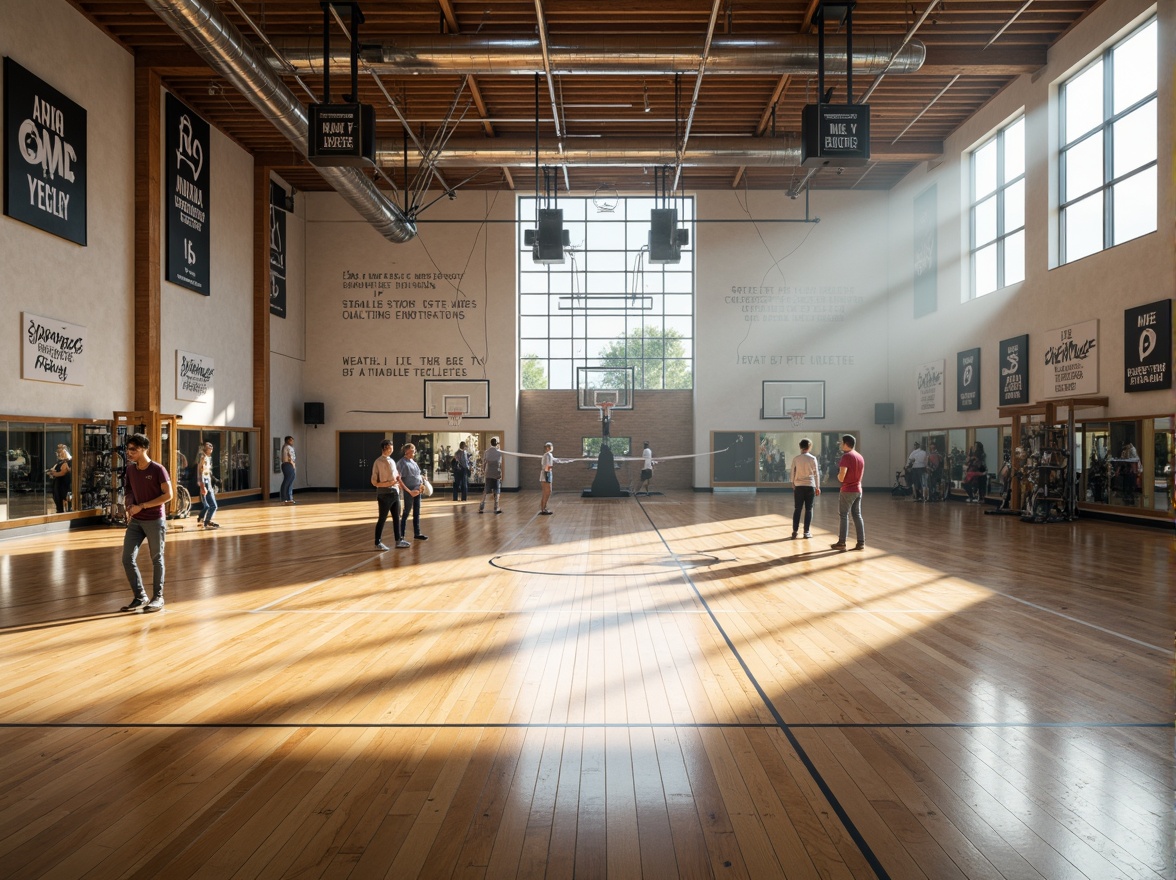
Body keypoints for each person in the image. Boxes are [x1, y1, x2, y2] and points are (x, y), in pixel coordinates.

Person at [120, 433, 173, 612]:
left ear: (143, 449)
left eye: (133, 449)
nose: (129, 452)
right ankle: (140, 596)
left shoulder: (158, 470)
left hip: (154, 520)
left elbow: (168, 495)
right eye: (128, 449)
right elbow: (128, 489)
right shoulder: (130, 469)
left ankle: (158, 597)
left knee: (157, 559)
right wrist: (129, 505)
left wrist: (142, 506)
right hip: (136, 521)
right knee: (127, 558)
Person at [830, 434, 865, 551]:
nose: (840, 444)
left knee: (844, 515)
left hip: (848, 490)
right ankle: (861, 542)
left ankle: (842, 542)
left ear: (846, 444)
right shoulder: (859, 456)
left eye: (841, 442)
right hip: (858, 489)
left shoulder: (846, 457)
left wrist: (838, 475)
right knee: (857, 515)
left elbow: (841, 477)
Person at [371, 439, 408, 549]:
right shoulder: (378, 462)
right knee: (382, 518)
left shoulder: (392, 461)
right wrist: (388, 483)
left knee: (397, 517)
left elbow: (395, 477)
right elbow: (374, 482)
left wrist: (398, 480)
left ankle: (398, 540)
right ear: (384, 448)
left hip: (394, 493)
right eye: (389, 448)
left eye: (392, 448)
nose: (391, 450)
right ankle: (378, 542)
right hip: (384, 494)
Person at [789, 438, 821, 538]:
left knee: (797, 508)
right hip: (810, 486)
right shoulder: (813, 458)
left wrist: (793, 483)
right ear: (809, 447)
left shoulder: (796, 459)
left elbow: (792, 472)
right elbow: (816, 474)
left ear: (800, 447)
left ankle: (795, 531)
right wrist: (817, 486)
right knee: (809, 509)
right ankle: (806, 532)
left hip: (798, 486)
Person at [397, 443, 428, 540]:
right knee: (406, 512)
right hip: (409, 491)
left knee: (417, 512)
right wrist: (409, 491)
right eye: (413, 450)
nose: (414, 452)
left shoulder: (413, 462)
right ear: (407, 451)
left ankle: (417, 533)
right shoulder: (401, 463)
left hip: (418, 490)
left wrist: (422, 478)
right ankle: (401, 535)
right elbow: (399, 479)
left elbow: (417, 474)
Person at [194, 441, 220, 528]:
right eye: (209, 445)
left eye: (212, 445)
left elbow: (206, 472)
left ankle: (203, 519)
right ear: (205, 448)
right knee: (212, 506)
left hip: (207, 483)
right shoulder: (203, 458)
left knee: (208, 506)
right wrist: (203, 486)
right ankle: (206, 521)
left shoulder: (207, 458)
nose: (211, 447)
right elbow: (201, 472)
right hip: (205, 484)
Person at [479, 437, 503, 514]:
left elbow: (484, 463)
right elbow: (499, 464)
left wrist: (483, 471)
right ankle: (496, 507)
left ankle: (481, 507)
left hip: (488, 474)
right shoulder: (499, 453)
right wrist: (501, 473)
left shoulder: (487, 452)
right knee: (497, 491)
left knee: (486, 490)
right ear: (497, 444)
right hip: (496, 474)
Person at [47, 444, 72, 513]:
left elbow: (63, 472)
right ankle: (59, 509)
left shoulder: (66, 462)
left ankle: (62, 510)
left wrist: (53, 473)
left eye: (60, 452)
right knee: (57, 496)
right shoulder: (59, 462)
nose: (58, 454)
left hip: (62, 483)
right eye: (58, 452)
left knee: (61, 496)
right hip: (58, 482)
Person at [539, 441, 554, 514]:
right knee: (547, 492)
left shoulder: (549, 455)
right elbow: (547, 466)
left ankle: (543, 508)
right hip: (546, 474)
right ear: (547, 448)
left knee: (546, 492)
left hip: (547, 474)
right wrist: (547, 476)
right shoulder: (547, 455)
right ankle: (543, 508)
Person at [280, 436, 297, 503]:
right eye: (291, 440)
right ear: (287, 440)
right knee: (288, 480)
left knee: (289, 480)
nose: (292, 442)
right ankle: (286, 497)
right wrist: (292, 464)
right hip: (288, 464)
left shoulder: (285, 447)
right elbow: (290, 456)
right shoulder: (288, 447)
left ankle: (288, 497)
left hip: (287, 464)